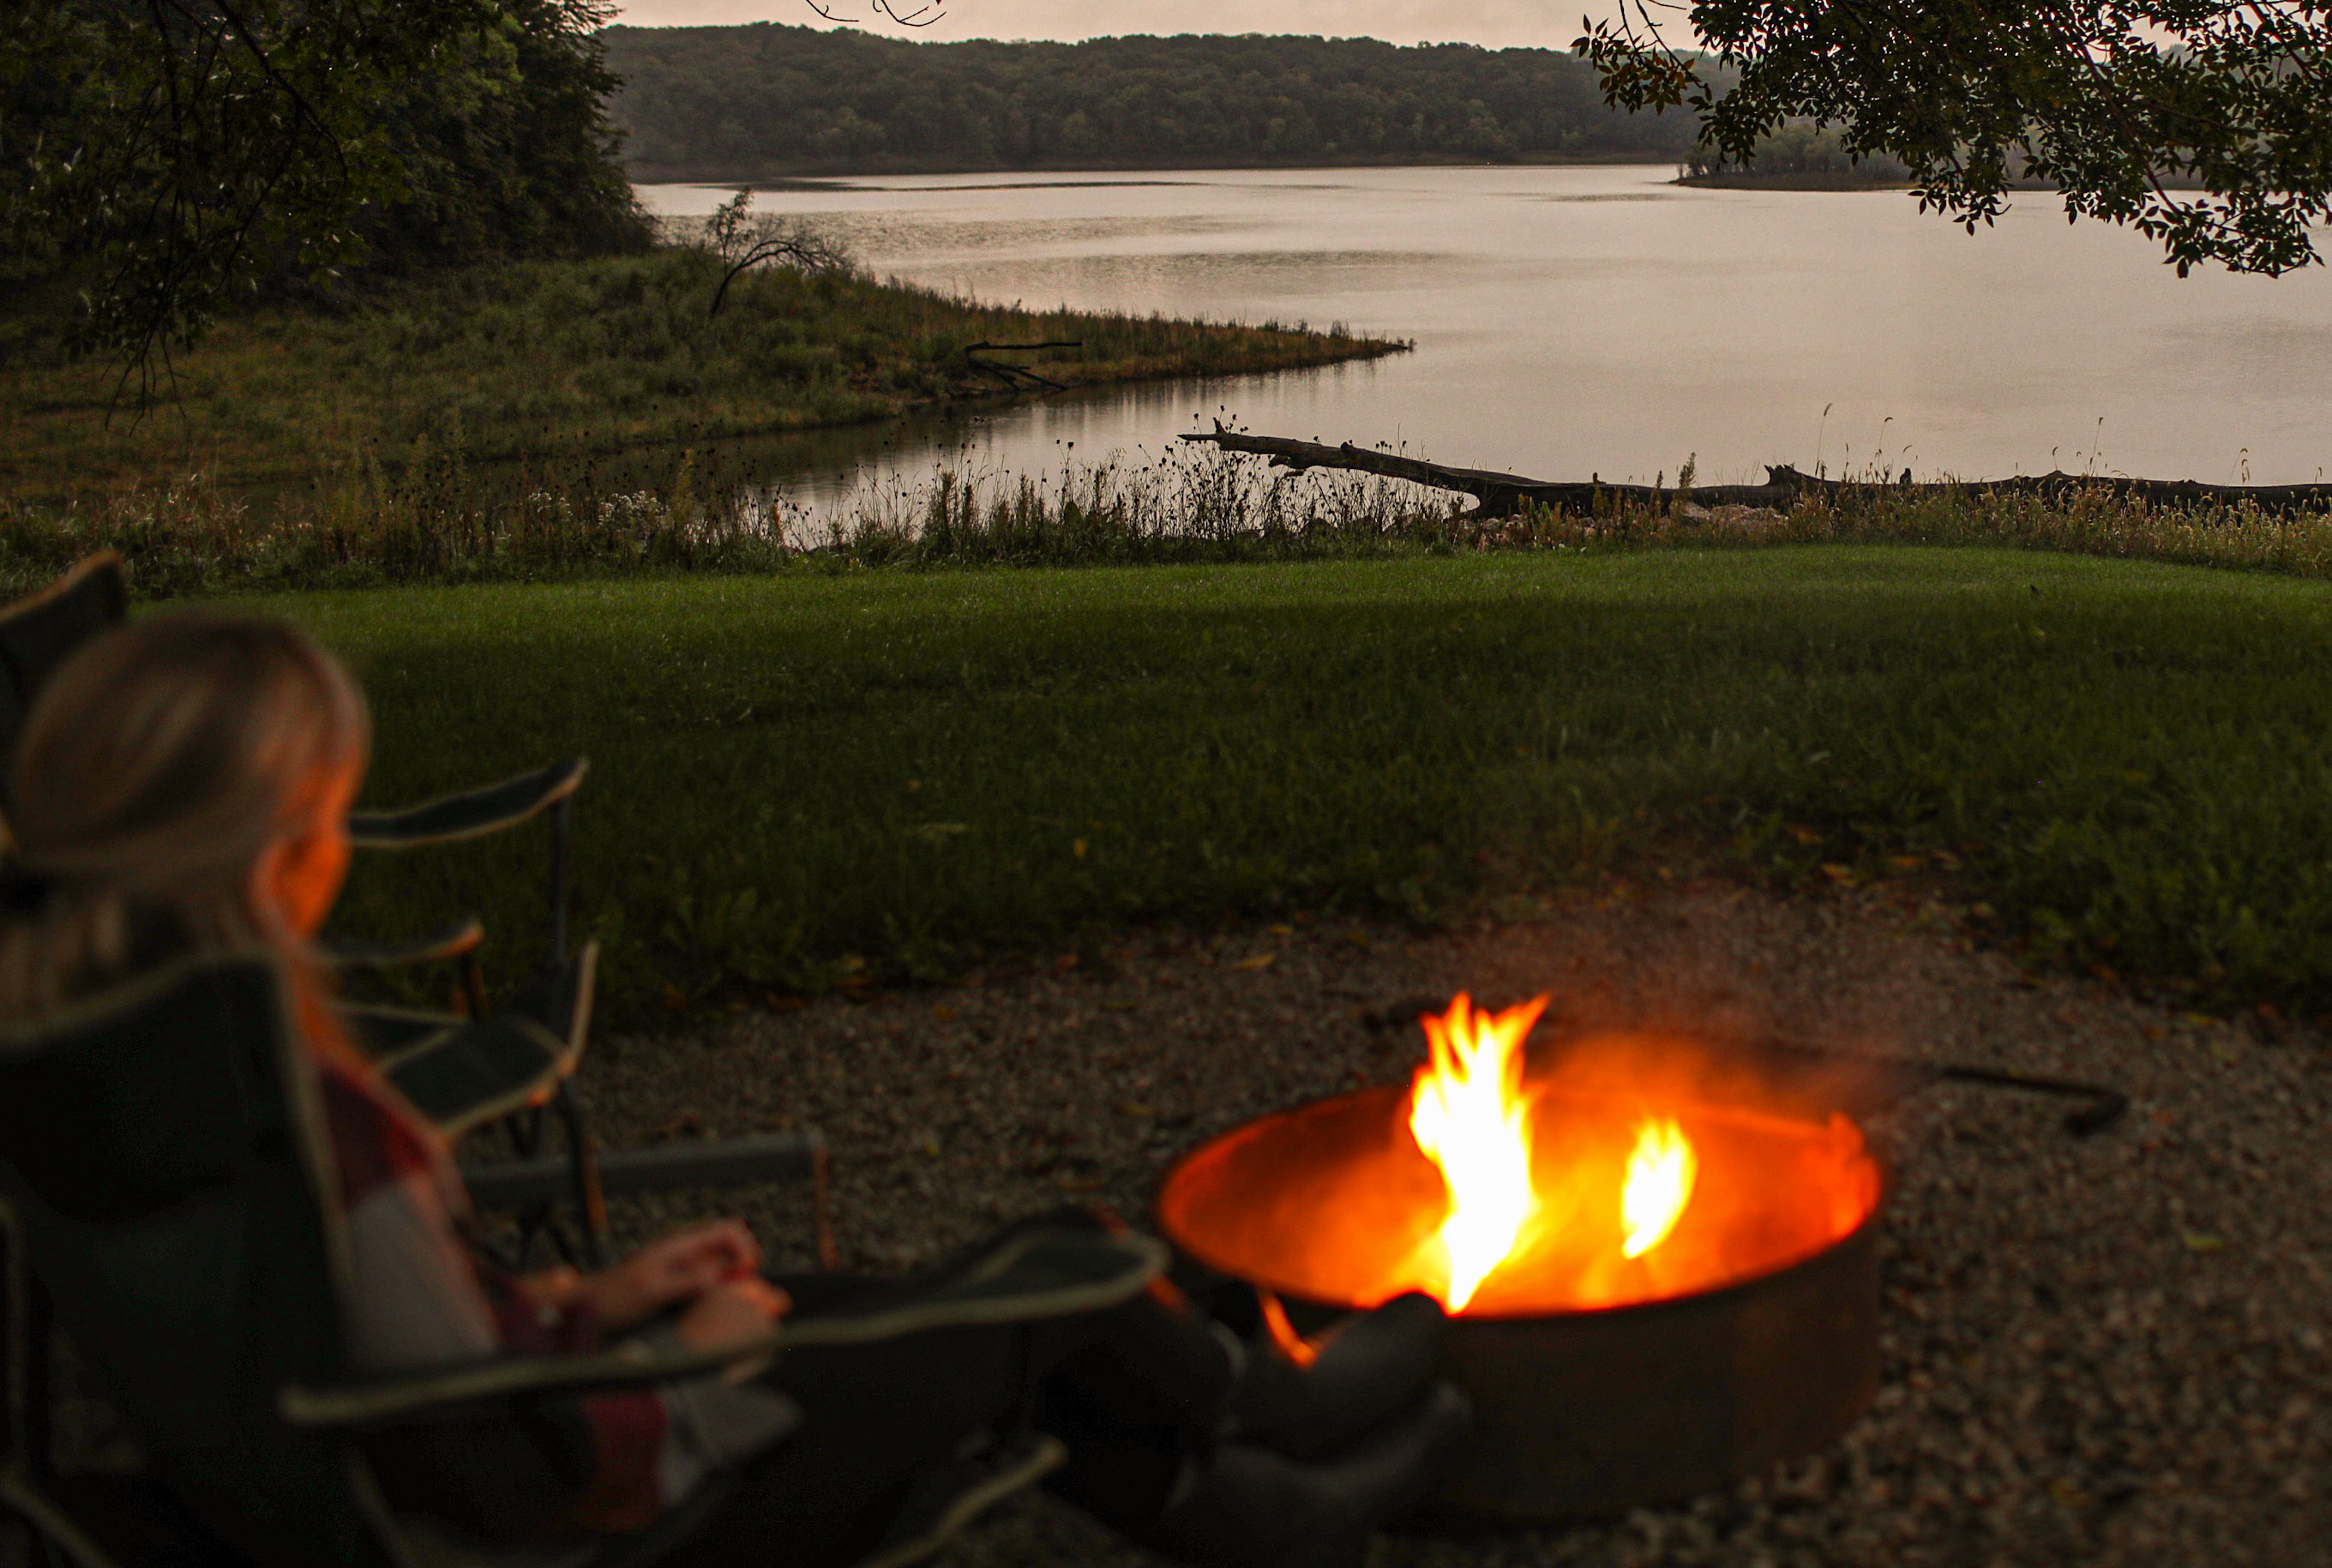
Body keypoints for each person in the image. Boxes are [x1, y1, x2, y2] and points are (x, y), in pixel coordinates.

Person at [0, 610, 1469, 1568]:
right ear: (275, 856)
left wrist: (605, 1299)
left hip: (518, 1425)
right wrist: (669, 1349)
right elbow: (490, 1450)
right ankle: (1274, 1409)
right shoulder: (305, 1124)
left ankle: (1274, 1510)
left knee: (977, 1293)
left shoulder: (113, 1075)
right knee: (1065, 1270)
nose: (335, 847)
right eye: (328, 815)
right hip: (618, 1498)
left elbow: (382, 1351)